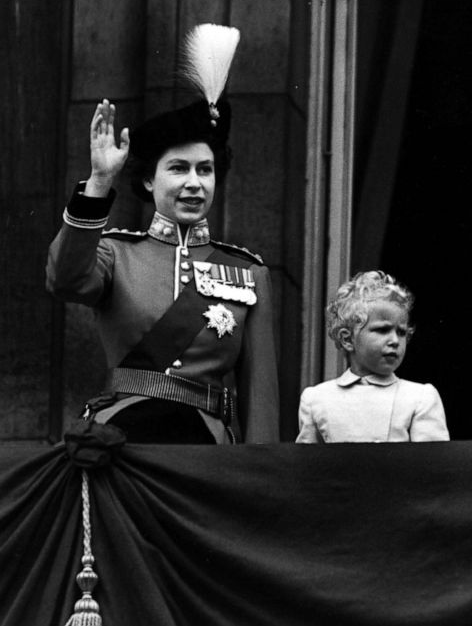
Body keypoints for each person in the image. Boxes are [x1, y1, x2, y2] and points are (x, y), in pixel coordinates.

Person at [46, 24, 279, 444]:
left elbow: (259, 399)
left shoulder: (249, 273)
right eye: (178, 169)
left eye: (204, 170)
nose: (194, 182)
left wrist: (259, 479)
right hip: (122, 439)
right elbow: (64, 280)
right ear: (150, 182)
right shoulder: (117, 254)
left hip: (204, 451)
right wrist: (99, 181)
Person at [296, 270, 449, 443]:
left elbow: (433, 465)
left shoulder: (419, 398)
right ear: (347, 339)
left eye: (401, 332)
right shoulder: (317, 399)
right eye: (382, 330)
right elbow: (307, 466)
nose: (394, 341)